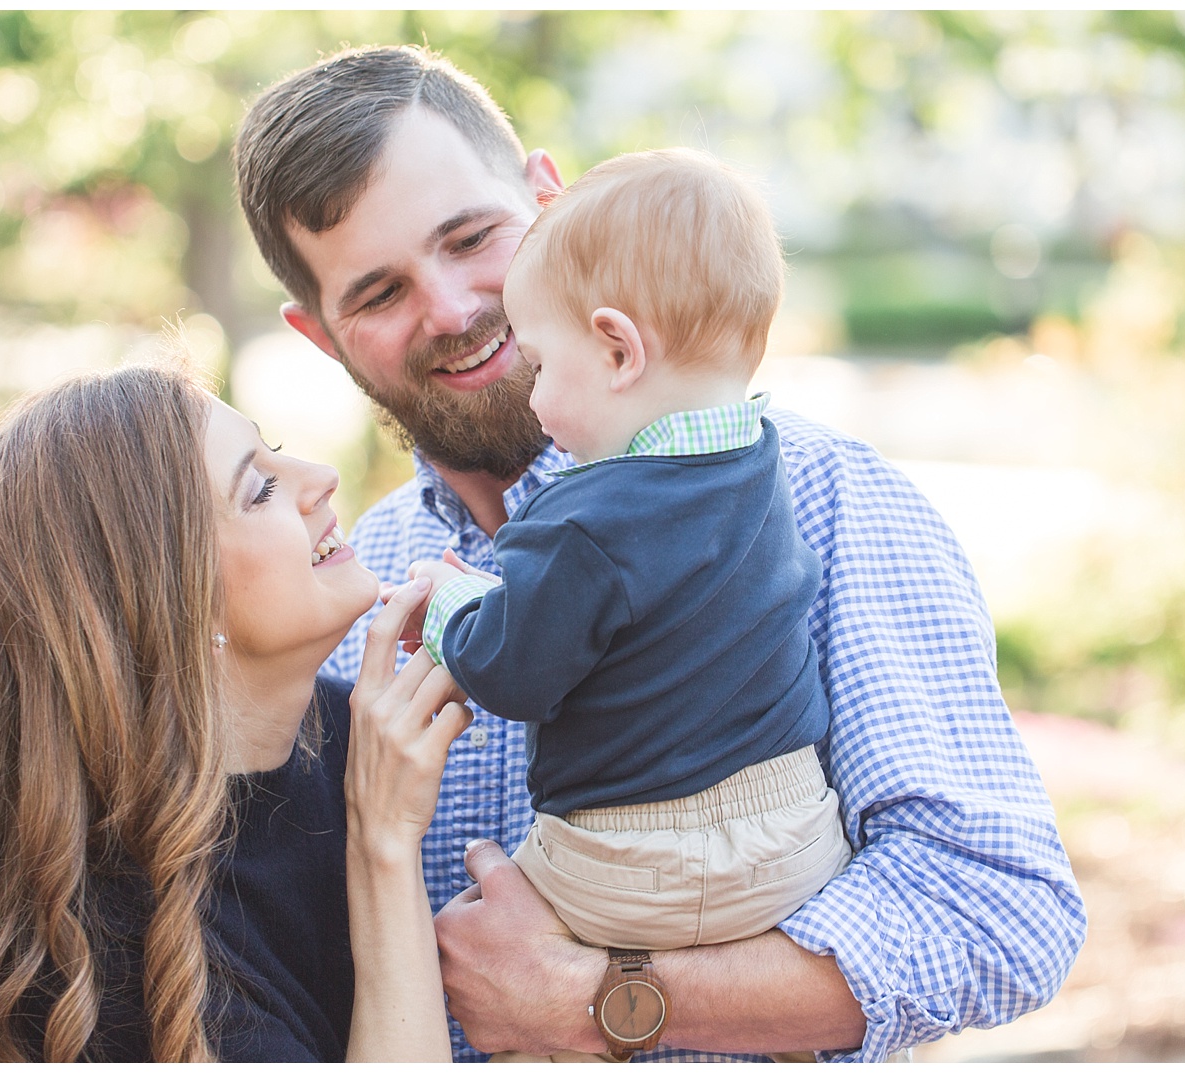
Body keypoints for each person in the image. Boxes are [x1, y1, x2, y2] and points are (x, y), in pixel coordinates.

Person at [233, 44, 1087, 1062]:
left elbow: (998, 912)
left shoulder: (820, 496)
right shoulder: (344, 597)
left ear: (549, 201)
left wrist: (604, 998)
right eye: (379, 294)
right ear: (320, 336)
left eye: (471, 237)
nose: (454, 310)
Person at [0, 360, 467, 1061]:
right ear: (172, 606)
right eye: (260, 489)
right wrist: (384, 844)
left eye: (275, 449)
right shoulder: (102, 976)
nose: (320, 477)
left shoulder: (352, 735)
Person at [391, 149, 854, 1015]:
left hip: (623, 867)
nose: (535, 401)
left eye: (540, 365)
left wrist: (452, 602)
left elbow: (513, 672)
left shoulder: (581, 518)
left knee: (490, 934)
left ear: (616, 349)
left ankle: (539, 1032)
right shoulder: (766, 466)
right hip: (796, 844)